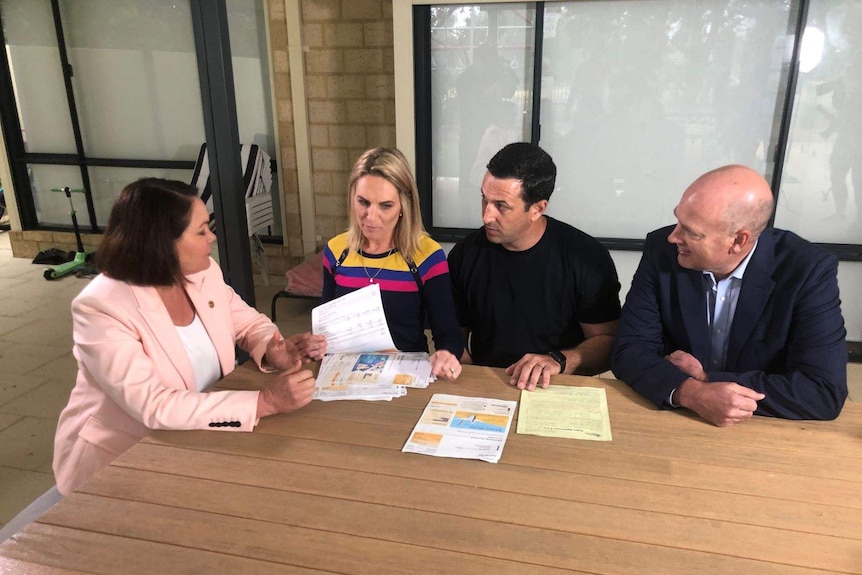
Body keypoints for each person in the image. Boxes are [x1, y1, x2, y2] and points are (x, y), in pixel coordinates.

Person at [53, 178, 326, 495]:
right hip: (125, 459)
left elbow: (245, 321)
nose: (211, 237)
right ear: (162, 243)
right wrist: (265, 402)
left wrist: (271, 348)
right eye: (201, 231)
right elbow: (154, 406)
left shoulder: (203, 271)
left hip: (201, 434)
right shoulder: (101, 308)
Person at [611, 165, 847, 425]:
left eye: (691, 231)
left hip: (762, 426)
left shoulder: (806, 270)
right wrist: (691, 392)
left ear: (738, 241)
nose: (673, 237)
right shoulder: (662, 252)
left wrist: (709, 379)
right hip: (675, 417)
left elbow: (823, 391)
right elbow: (629, 349)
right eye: (678, 220)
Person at [448, 142, 621, 391]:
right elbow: (454, 332)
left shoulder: (585, 257)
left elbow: (608, 342)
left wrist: (558, 361)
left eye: (501, 206)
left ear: (537, 209)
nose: (487, 216)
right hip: (487, 381)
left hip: (557, 384)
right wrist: (467, 373)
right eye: (484, 200)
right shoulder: (466, 254)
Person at [321, 147, 464, 380]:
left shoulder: (426, 256)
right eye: (363, 202)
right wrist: (312, 344)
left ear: (403, 207)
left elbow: (447, 332)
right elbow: (325, 330)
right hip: (345, 375)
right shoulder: (336, 251)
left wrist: (447, 354)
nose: (371, 216)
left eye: (385, 206)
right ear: (352, 198)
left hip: (404, 374)